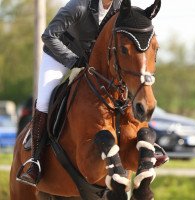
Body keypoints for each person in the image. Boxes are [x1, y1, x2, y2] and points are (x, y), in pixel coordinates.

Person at [17, 0, 122, 186]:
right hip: (60, 55)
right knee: (43, 101)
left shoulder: (120, 7)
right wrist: (73, 59)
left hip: (92, 60)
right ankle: (34, 161)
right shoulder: (79, 5)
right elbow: (49, 35)